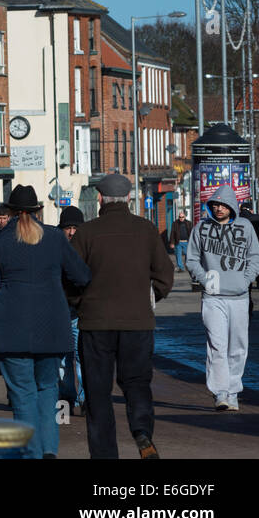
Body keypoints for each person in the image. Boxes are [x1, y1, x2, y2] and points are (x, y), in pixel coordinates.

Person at [0, 185, 91, 460]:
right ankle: (49, 449)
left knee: (22, 394)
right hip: (52, 324)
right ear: (38, 211)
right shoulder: (55, 238)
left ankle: (31, 453)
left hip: (12, 327)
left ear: (11, 211)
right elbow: (82, 276)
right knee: (48, 389)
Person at [70, 173, 174, 459]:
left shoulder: (86, 233)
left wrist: (81, 304)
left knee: (97, 390)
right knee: (137, 382)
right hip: (137, 322)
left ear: (101, 199)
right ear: (129, 198)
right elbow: (165, 275)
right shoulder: (146, 230)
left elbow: (71, 278)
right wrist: (149, 297)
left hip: (96, 322)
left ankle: (104, 453)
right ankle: (142, 431)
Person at [186, 186, 259, 412]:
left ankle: (233, 391)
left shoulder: (245, 226)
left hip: (239, 296)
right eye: (215, 205)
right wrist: (204, 279)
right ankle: (220, 392)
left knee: (238, 347)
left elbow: (255, 258)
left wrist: (245, 280)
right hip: (213, 298)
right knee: (217, 345)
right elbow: (192, 259)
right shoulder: (201, 228)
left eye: (222, 204)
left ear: (231, 206)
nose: (218, 208)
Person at [58, 206, 86, 415]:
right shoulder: (55, 249)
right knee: (62, 358)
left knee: (81, 357)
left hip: (79, 312)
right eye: (68, 228)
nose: (71, 232)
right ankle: (67, 398)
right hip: (59, 312)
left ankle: (85, 399)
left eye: (75, 228)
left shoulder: (86, 250)